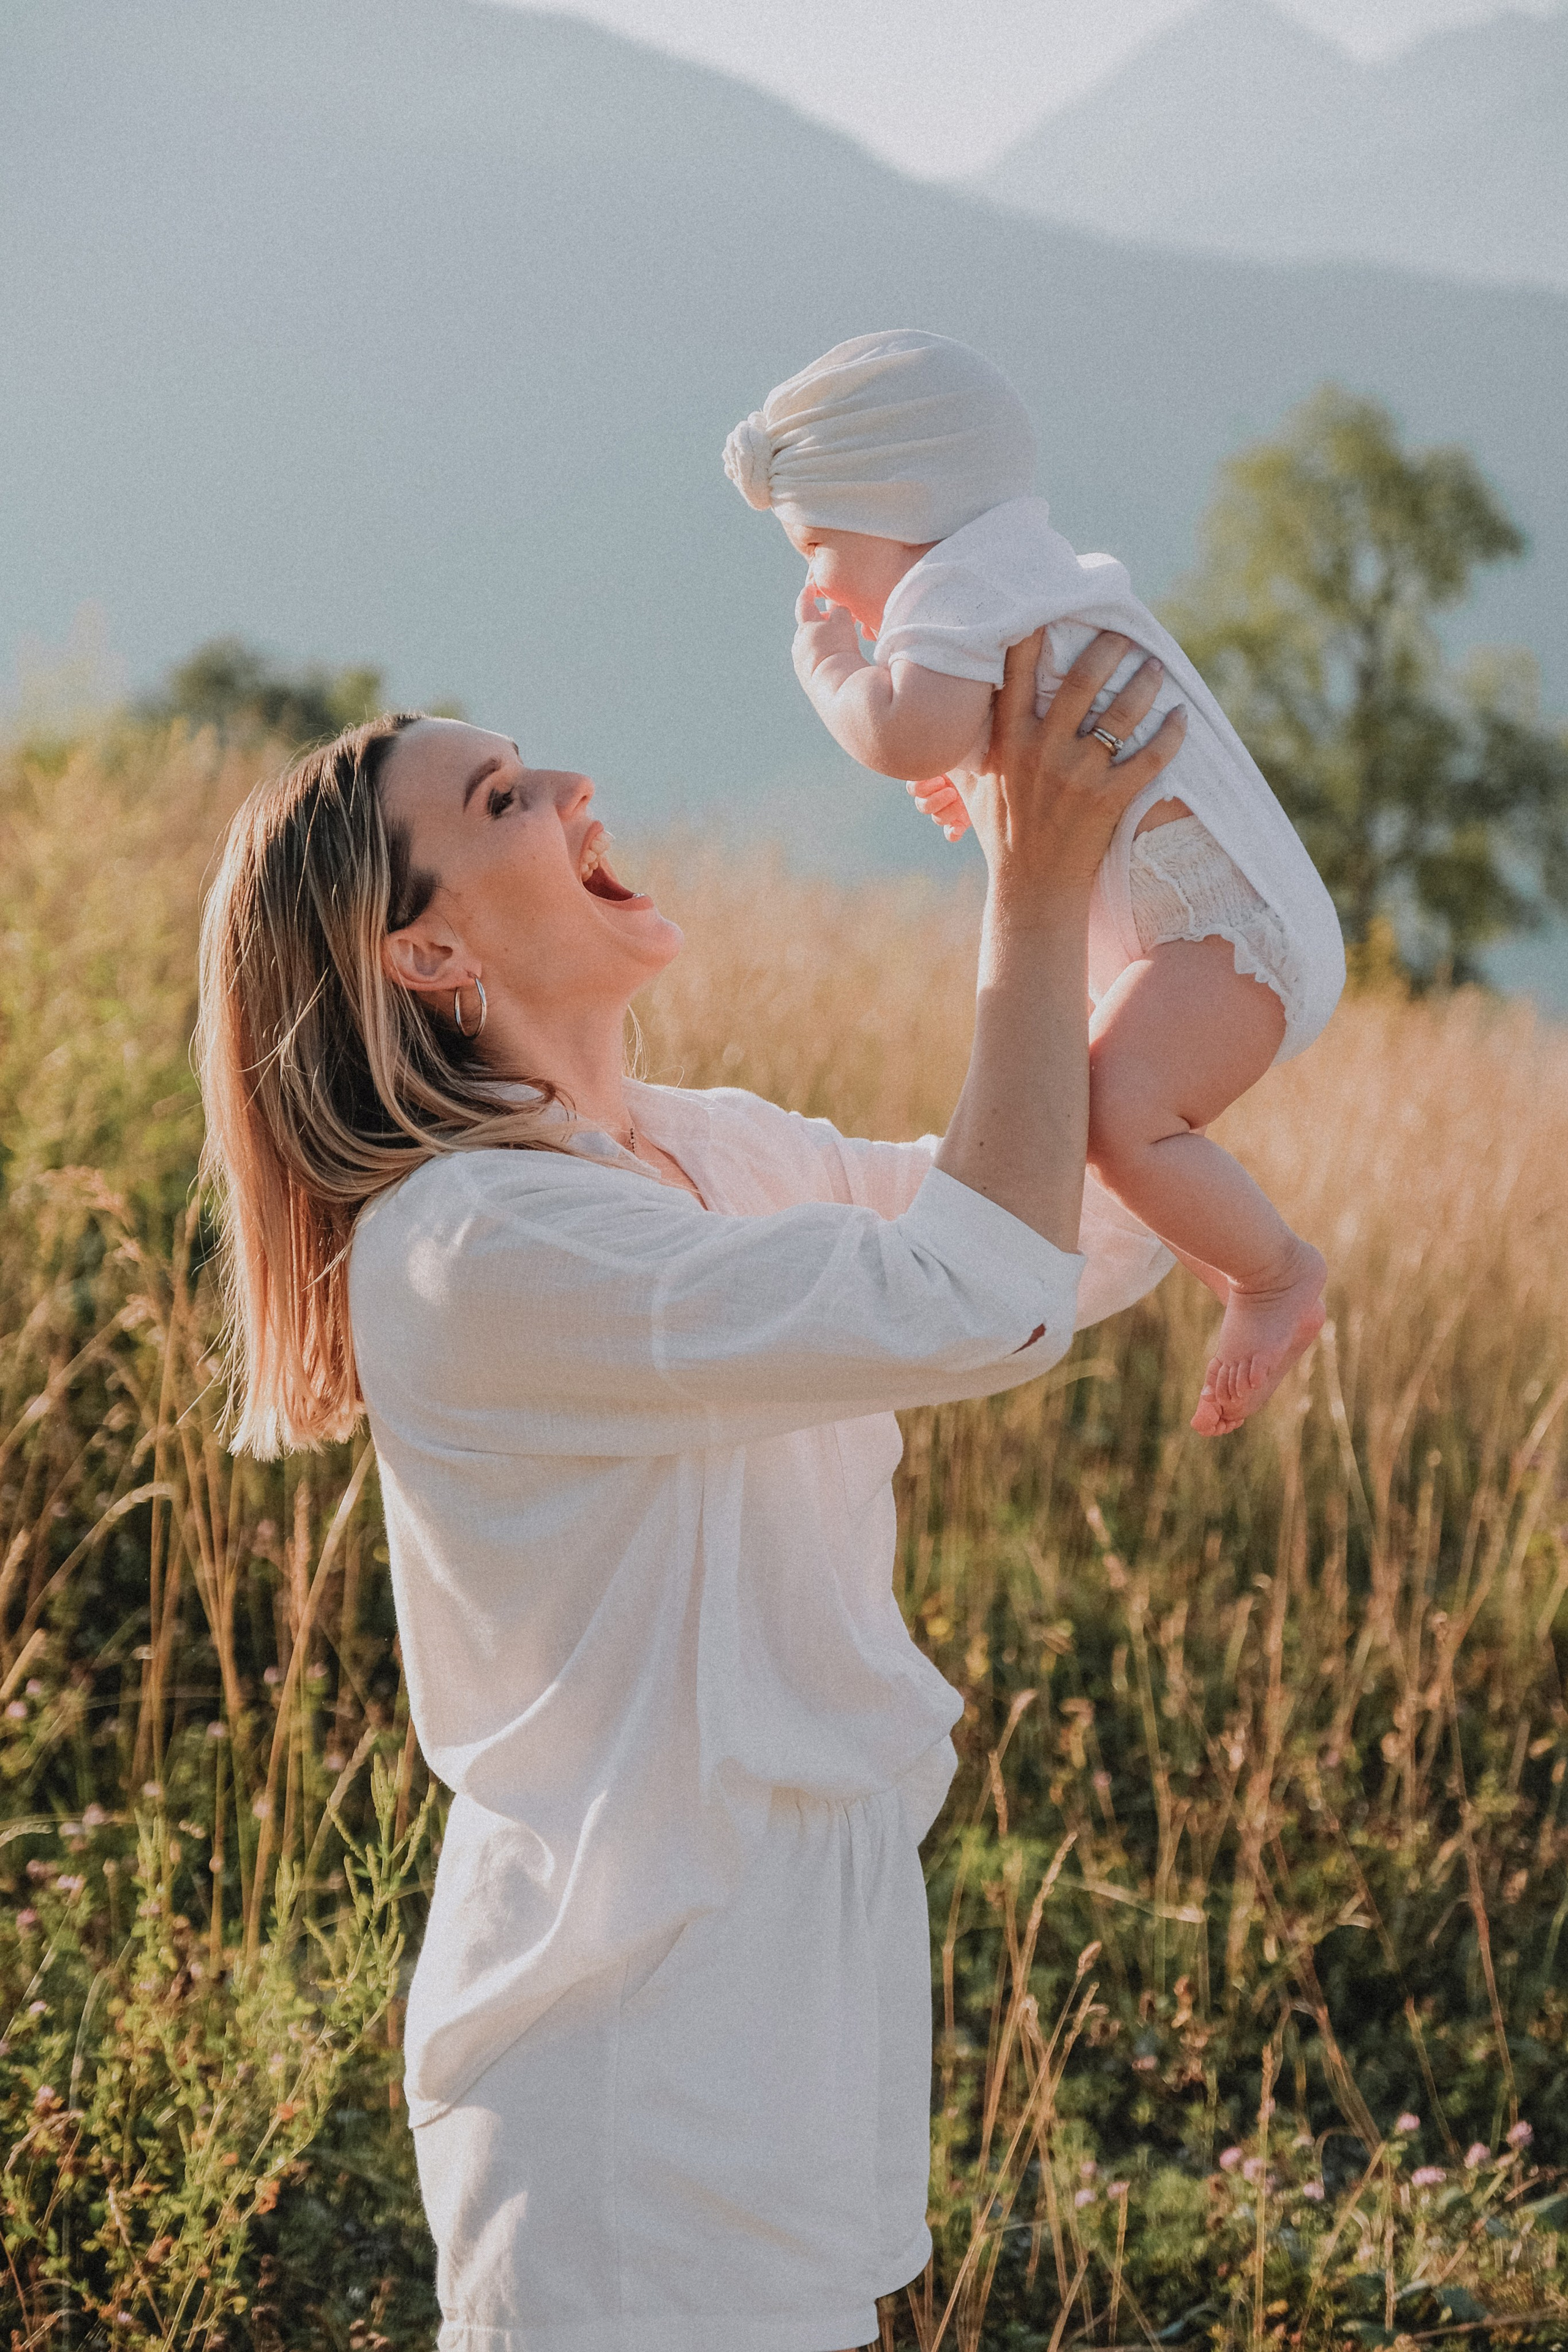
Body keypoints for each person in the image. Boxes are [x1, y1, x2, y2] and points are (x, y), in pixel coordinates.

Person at [197, 628, 1183, 2352]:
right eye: (503, 797)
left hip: (804, 1989)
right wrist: (1030, 899)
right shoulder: (478, 1243)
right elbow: (983, 1296)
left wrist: (1106, 884)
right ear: (422, 948)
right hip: (626, 2053)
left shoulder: (704, 1151)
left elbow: (1083, 1239)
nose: (576, 790)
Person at [724, 329, 1346, 1437]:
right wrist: (976, 781)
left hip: (1219, 936)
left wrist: (828, 670)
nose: (819, 586)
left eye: (818, 546)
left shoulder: (952, 582)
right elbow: (1008, 730)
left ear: (897, 500)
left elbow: (906, 732)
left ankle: (1274, 1273)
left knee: (1117, 1117)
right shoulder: (1014, 566)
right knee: (1112, 1120)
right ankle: (1226, 1243)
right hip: (1222, 927)